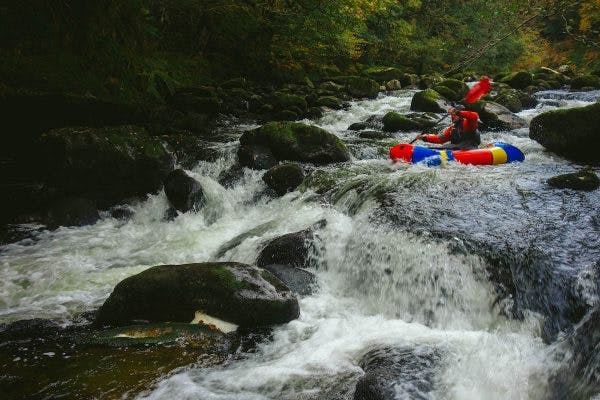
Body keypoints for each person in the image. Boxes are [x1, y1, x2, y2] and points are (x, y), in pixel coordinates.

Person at [415, 106, 481, 150]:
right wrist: (424, 138)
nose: (453, 116)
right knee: (443, 147)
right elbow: (440, 139)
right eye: (452, 115)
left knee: (449, 147)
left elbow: (474, 116)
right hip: (457, 148)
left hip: (469, 148)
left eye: (455, 115)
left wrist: (458, 112)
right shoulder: (452, 128)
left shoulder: (467, 124)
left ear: (461, 115)